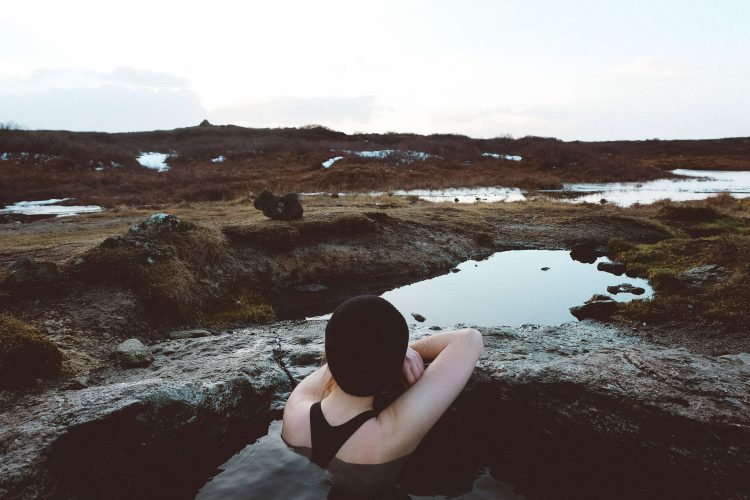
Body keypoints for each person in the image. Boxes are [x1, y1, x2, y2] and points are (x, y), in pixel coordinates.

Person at [282, 295, 484, 495]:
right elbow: (469, 340)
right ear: (392, 367)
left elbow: (346, 353)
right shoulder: (386, 438)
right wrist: (405, 350)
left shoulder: (295, 408)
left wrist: (395, 352)